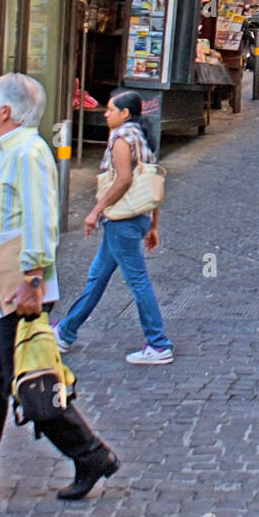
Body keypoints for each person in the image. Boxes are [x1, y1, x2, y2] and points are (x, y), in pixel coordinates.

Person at [0, 74, 119, 504]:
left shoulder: (28, 153)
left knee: (29, 380)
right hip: (4, 284)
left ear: (8, 111)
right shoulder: (15, 151)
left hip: (20, 287)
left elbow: (41, 220)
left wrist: (33, 279)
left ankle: (91, 454)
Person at [54, 89, 173, 366]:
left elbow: (123, 180)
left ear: (125, 114)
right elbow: (152, 182)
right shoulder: (141, 137)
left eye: (110, 110)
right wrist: (153, 225)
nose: (106, 114)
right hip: (134, 220)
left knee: (138, 281)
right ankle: (66, 332)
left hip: (122, 221)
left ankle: (158, 343)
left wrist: (95, 211)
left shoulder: (121, 138)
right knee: (97, 276)